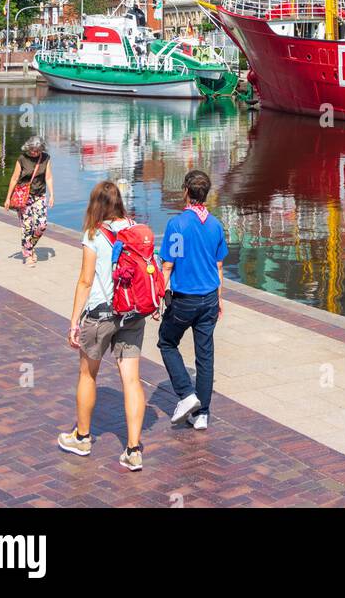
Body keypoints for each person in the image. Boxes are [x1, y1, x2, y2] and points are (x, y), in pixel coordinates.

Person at [58, 181, 146, 472]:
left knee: (87, 374)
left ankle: (82, 437)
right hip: (132, 314)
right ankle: (133, 450)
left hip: (101, 314)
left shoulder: (94, 233)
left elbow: (85, 280)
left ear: (95, 204)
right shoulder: (135, 228)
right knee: (131, 380)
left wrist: (73, 321)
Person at [159, 168, 228, 431]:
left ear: (186, 192)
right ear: (206, 194)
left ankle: (187, 394)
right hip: (209, 297)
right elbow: (219, 265)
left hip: (184, 299)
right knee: (205, 355)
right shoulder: (216, 225)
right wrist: (220, 299)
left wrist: (158, 295)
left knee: (167, 342)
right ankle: (203, 414)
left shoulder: (177, 225)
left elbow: (168, 265)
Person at [4, 134, 54, 266]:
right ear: (28, 148)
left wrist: (52, 195)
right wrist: (8, 198)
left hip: (40, 196)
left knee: (42, 225)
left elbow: (48, 177)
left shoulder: (45, 158)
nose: (34, 153)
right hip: (24, 197)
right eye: (32, 150)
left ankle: (29, 246)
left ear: (42, 149)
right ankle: (29, 255)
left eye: (37, 150)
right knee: (27, 227)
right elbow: (14, 178)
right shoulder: (22, 159)